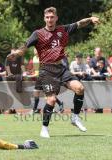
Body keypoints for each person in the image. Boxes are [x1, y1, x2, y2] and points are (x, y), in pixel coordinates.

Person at [7, 7, 100, 138]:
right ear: (44, 19)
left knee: (79, 88)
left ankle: (75, 117)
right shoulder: (38, 34)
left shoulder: (63, 30)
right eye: (47, 17)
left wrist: (90, 19)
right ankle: (44, 128)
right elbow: (25, 46)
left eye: (52, 17)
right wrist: (16, 53)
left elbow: (79, 23)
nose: (49, 19)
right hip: (46, 70)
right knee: (51, 100)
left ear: (56, 18)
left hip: (61, 68)